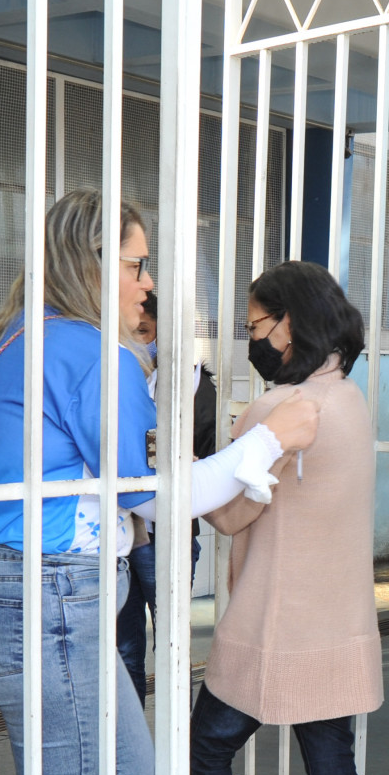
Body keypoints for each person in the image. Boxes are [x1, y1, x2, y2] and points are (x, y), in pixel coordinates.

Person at [0, 192, 319, 775]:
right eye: (135, 264)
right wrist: (271, 440)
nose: (146, 283)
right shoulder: (86, 349)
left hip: (45, 590)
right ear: (92, 267)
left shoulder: (31, 341)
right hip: (46, 592)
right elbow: (159, 498)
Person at [189, 261, 389, 775]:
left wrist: (184, 460)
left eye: (254, 328)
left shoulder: (281, 410)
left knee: (206, 748)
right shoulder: (350, 399)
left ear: (290, 323)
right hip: (333, 624)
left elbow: (224, 511)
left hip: (271, 622)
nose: (251, 340)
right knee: (334, 773)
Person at [115, 290, 218, 703]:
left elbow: (211, 459)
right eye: (131, 331)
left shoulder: (196, 388)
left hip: (167, 536)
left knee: (173, 647)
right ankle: (129, 746)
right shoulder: (117, 380)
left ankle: (175, 746)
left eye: (146, 330)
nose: (139, 340)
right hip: (121, 536)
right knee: (123, 651)